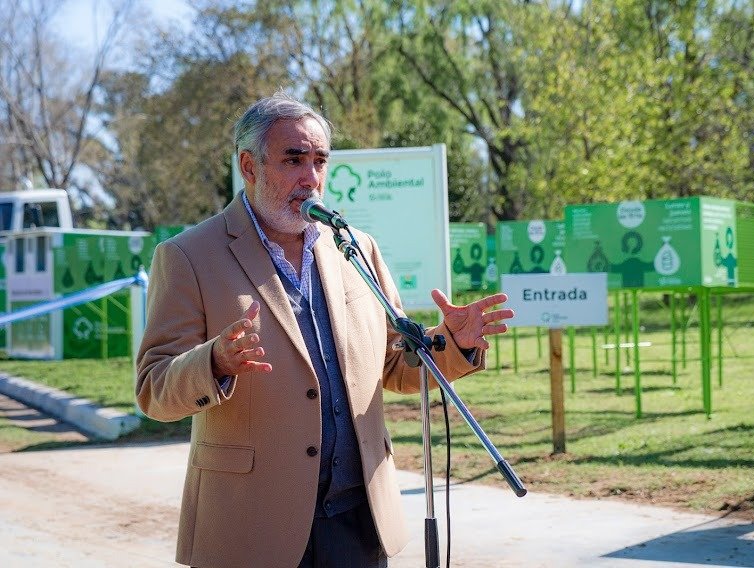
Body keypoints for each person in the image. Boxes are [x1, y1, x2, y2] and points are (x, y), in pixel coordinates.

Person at [135, 90, 514, 568]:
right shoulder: (189, 257)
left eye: (319, 161)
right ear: (249, 166)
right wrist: (212, 363)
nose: (310, 178)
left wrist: (452, 343)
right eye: (294, 160)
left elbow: (396, 365)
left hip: (358, 521)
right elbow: (153, 387)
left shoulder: (356, 248)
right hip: (251, 528)